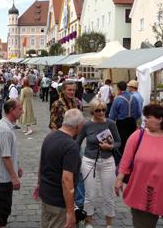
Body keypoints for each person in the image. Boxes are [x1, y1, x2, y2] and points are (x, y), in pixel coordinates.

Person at [115, 104, 163, 228]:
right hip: (142, 193)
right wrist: (119, 179)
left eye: (148, 117)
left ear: (160, 119)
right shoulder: (137, 136)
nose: (144, 120)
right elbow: (125, 160)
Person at [76, 98, 121, 228]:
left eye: (104, 110)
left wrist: (110, 147)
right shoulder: (86, 125)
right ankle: (89, 222)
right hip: (89, 161)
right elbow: (77, 142)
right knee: (90, 194)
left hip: (107, 162)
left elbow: (118, 142)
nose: (101, 113)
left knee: (108, 195)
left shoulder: (111, 123)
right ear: (92, 111)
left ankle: (109, 224)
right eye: (98, 110)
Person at [38, 109, 85, 228]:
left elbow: (41, 164)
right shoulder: (71, 146)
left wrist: (39, 184)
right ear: (78, 126)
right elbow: (67, 179)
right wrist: (70, 211)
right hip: (59, 201)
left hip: (46, 195)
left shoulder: (50, 136)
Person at [0, 99, 23, 228]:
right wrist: (14, 177)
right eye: (20, 109)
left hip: (3, 174)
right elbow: (6, 157)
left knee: (1, 204)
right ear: (11, 110)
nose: (22, 111)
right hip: (3, 176)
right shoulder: (5, 130)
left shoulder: (7, 125)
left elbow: (10, 152)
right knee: (2, 206)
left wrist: (17, 166)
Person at [109, 81, 141, 155]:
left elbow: (112, 115)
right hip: (132, 122)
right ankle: (132, 154)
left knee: (122, 141)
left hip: (122, 123)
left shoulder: (118, 99)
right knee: (132, 140)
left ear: (118, 88)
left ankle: (124, 157)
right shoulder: (134, 98)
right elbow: (138, 113)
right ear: (126, 87)